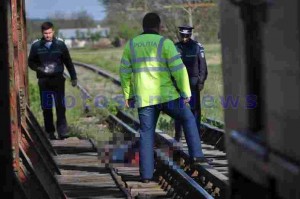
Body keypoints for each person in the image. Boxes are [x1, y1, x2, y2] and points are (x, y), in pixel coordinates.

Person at [119, 13, 206, 183]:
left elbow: (124, 72)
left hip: (145, 98)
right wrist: (186, 93)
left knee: (146, 133)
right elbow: (178, 69)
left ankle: (145, 175)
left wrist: (128, 95)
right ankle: (196, 156)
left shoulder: (131, 45)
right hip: (167, 96)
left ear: (143, 26)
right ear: (158, 26)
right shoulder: (165, 43)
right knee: (188, 118)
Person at [28, 22, 77, 140]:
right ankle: (50, 132)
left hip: (58, 79)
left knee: (60, 106)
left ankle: (62, 132)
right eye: (45, 33)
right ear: (42, 33)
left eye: (49, 33)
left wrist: (73, 77)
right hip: (44, 81)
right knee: (47, 107)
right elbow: (30, 62)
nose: (47, 35)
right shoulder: (36, 46)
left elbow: (68, 62)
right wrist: (38, 68)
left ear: (53, 32)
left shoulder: (60, 45)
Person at [174, 25, 208, 141]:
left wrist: (201, 81)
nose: (184, 38)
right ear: (180, 35)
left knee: (195, 110)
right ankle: (178, 136)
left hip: (193, 82)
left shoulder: (197, 47)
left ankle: (196, 135)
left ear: (190, 35)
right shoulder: (175, 48)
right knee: (178, 109)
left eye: (187, 36)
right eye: (182, 36)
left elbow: (202, 66)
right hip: (178, 84)